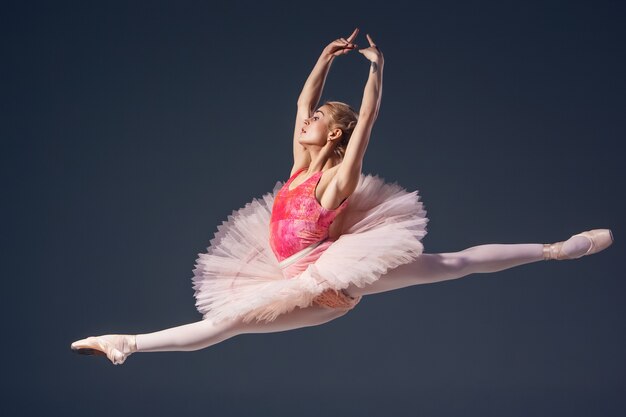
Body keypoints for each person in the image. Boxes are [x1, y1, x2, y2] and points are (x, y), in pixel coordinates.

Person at [71, 28, 613, 365]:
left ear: (333, 135)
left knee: (455, 262)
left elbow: (367, 124)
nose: (305, 121)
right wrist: (325, 59)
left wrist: (376, 73)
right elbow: (302, 101)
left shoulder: (335, 182)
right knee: (229, 325)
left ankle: (555, 250)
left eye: (317, 121)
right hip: (292, 279)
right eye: (307, 119)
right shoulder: (299, 168)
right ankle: (128, 344)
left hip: (331, 283)